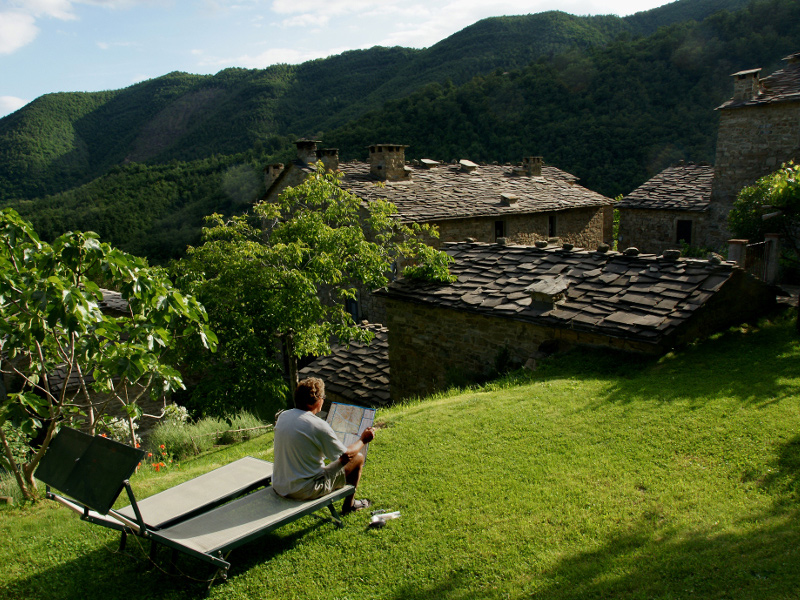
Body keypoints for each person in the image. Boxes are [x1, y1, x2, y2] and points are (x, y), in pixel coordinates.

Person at [272, 377, 375, 514]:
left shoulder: (284, 416)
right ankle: (349, 506)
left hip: (280, 485)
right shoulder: (318, 425)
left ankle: (349, 504)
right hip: (304, 490)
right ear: (319, 400)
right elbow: (346, 456)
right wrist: (363, 439)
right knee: (358, 458)